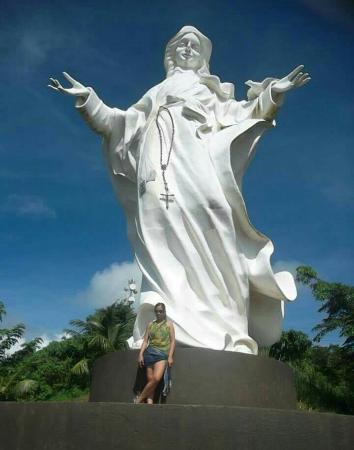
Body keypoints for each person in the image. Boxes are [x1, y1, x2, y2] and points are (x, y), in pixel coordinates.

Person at [48, 26, 310, 355]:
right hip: (157, 165)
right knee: (157, 227)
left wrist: (272, 94)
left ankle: (227, 328)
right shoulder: (157, 91)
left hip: (198, 156)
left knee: (215, 221)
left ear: (203, 56)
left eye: (194, 45)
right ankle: (167, 317)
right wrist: (89, 101)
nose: (187, 48)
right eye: (181, 44)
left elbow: (244, 113)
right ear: (171, 52)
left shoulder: (212, 91)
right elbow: (120, 123)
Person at [135, 302, 175, 404]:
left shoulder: (169, 325)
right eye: (156, 311)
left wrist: (170, 356)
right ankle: (149, 404)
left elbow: (172, 341)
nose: (158, 313)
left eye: (160, 311)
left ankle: (139, 399)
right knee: (151, 381)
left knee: (156, 379)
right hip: (149, 354)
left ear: (164, 312)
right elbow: (145, 341)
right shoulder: (150, 325)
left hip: (162, 354)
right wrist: (140, 354)